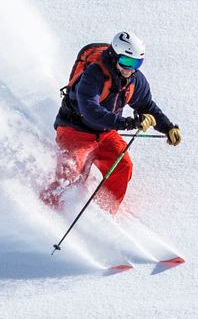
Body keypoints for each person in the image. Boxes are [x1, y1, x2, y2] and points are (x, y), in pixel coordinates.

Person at [44, 31, 181, 211]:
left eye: (136, 64)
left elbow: (146, 105)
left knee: (123, 166)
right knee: (68, 177)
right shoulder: (93, 75)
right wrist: (128, 123)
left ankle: (104, 212)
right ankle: (51, 210)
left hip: (105, 133)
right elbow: (90, 111)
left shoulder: (134, 80)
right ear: (114, 56)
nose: (130, 69)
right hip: (74, 130)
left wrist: (168, 127)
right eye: (126, 62)